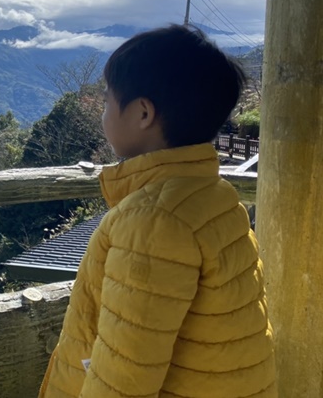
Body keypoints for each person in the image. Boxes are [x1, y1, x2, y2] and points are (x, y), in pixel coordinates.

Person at [38, 24, 276, 397]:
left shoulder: (153, 223)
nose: (102, 114)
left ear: (143, 113)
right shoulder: (216, 197)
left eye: (106, 102)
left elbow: (124, 378)